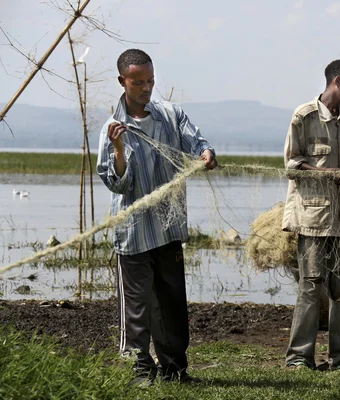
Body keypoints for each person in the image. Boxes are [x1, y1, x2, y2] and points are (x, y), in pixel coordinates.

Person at [97, 49, 217, 386]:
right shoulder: (113, 128)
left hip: (168, 227)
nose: (146, 87)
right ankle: (140, 369)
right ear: (123, 81)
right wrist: (119, 150)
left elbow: (197, 142)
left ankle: (174, 369)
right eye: (138, 82)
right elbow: (119, 182)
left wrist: (205, 154)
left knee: (172, 301)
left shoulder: (170, 115)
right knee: (138, 308)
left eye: (150, 80)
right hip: (134, 231)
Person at [282, 59, 340, 370]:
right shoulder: (304, 117)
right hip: (314, 219)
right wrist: (325, 174)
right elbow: (292, 165)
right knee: (311, 286)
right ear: (337, 81)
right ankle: (299, 359)